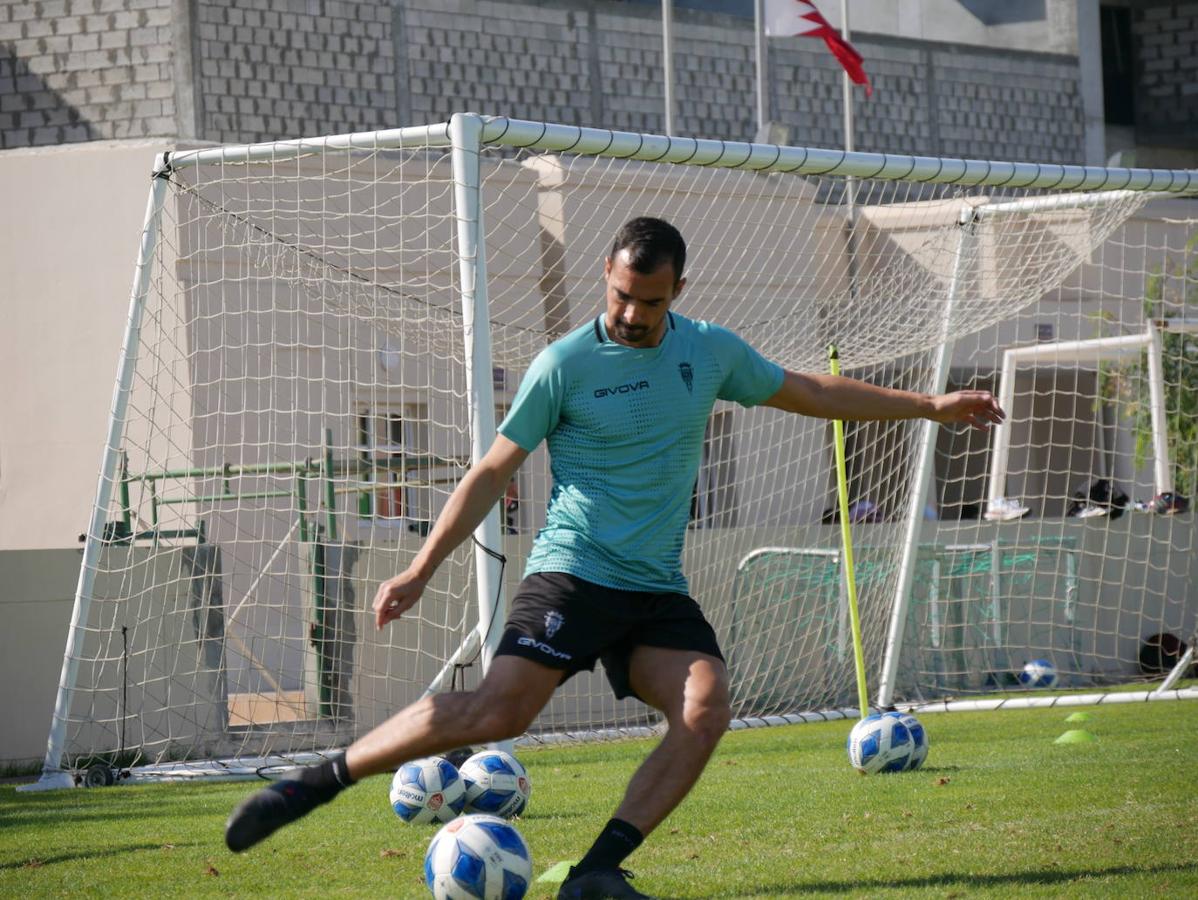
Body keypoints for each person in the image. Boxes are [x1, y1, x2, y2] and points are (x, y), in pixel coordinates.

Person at [225, 217, 1005, 898]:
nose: (632, 315)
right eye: (622, 295)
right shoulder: (563, 365)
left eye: (652, 301)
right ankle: (314, 783)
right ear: (606, 273)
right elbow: (492, 469)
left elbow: (812, 392)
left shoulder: (709, 353)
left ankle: (599, 871)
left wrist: (931, 405)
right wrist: (421, 567)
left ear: (679, 290)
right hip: (572, 571)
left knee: (705, 710)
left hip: (653, 588)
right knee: (503, 712)